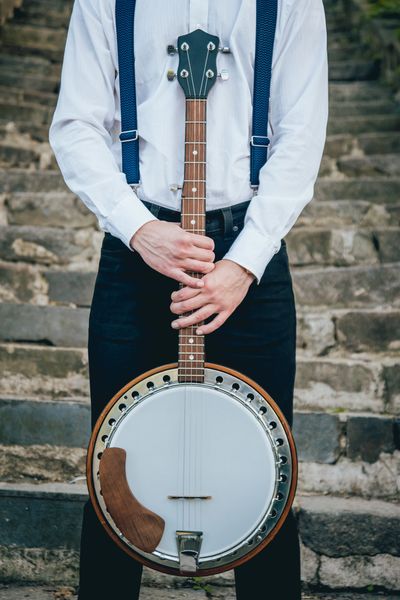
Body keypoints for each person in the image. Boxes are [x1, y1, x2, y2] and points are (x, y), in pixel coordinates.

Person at [49, 0, 328, 598]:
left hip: (247, 251)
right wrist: (138, 228)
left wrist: (244, 262)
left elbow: (300, 134)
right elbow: (76, 123)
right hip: (139, 246)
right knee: (113, 465)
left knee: (267, 472)